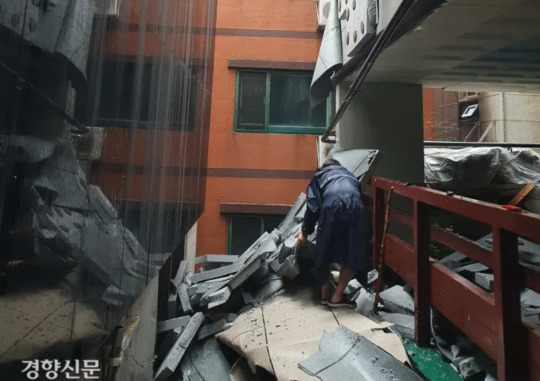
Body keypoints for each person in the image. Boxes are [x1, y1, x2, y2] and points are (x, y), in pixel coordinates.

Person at [297, 158, 367, 308]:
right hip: (355, 207)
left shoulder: (319, 176)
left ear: (323, 168)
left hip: (330, 206)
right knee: (352, 252)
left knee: (325, 249)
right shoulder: (350, 175)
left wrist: (305, 231)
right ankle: (336, 297)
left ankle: (324, 295)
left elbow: (313, 206)